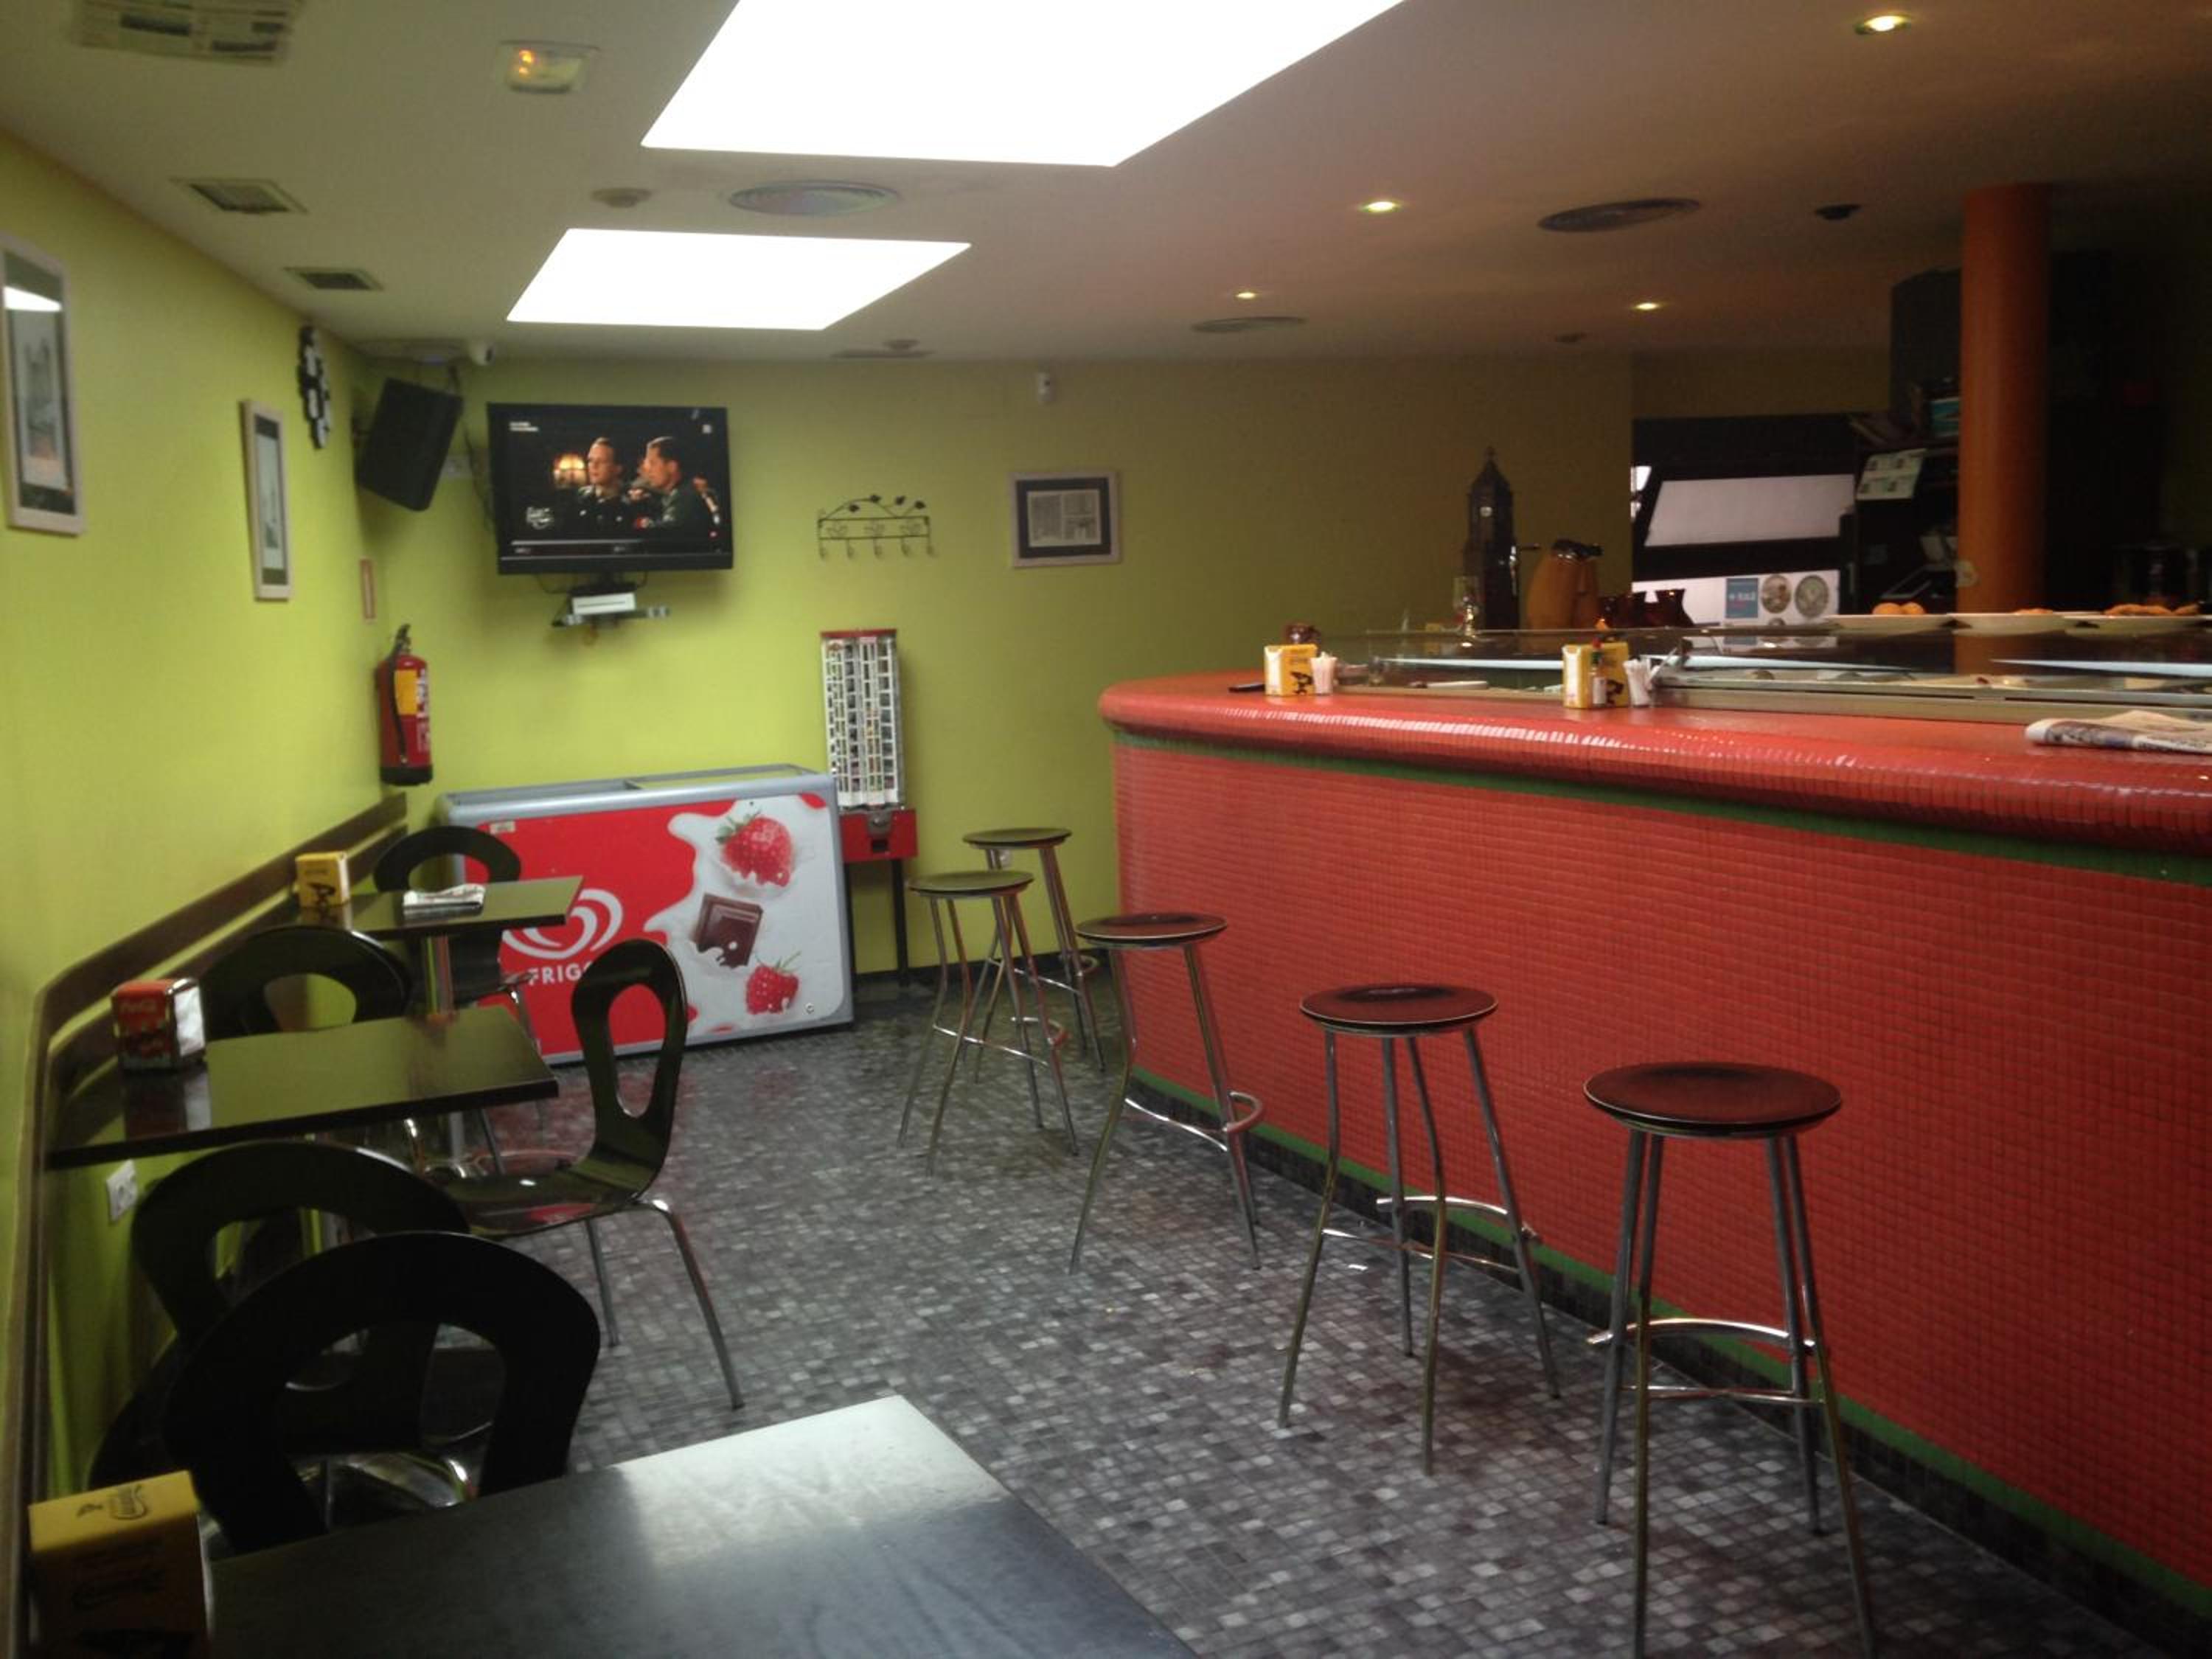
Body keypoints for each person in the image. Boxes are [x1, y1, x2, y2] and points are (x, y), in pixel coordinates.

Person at [631, 435, 713, 535]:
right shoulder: (678, 493)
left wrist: (643, 523)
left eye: (653, 463)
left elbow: (667, 532)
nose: (648, 470)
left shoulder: (686, 496)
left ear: (672, 467)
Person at [569, 437, 630, 531]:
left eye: (602, 461)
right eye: (590, 460)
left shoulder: (630, 503)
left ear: (618, 468)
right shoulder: (579, 499)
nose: (594, 466)